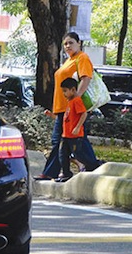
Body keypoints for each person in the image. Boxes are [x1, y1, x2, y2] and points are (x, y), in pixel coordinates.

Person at [35, 32, 103, 180]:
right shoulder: (68, 60)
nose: (67, 46)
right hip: (62, 108)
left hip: (72, 109)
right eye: (65, 44)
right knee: (65, 141)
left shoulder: (82, 58)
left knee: (72, 141)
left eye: (71, 42)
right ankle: (74, 169)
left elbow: (86, 78)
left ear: (79, 43)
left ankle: (93, 165)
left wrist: (75, 100)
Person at [57, 77, 88, 182]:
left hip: (75, 135)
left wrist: (78, 127)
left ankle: (84, 166)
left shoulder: (76, 101)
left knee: (77, 153)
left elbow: (84, 114)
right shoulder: (69, 102)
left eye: (65, 91)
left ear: (73, 90)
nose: (64, 93)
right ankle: (66, 173)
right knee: (62, 154)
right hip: (66, 135)